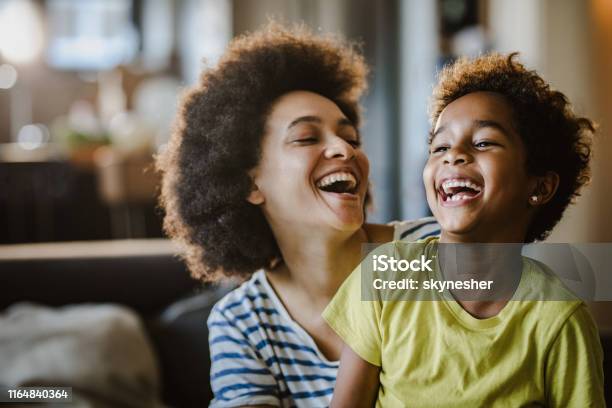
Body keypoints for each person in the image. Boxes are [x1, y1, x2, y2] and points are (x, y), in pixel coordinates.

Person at [157, 23, 439, 407]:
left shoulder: (427, 251)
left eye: (351, 138)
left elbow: (545, 285)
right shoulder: (243, 323)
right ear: (249, 185)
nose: (344, 148)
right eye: (307, 137)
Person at [324, 53, 604, 407]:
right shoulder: (385, 276)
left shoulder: (559, 319)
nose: (453, 155)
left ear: (540, 187)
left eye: (484, 142)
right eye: (439, 146)